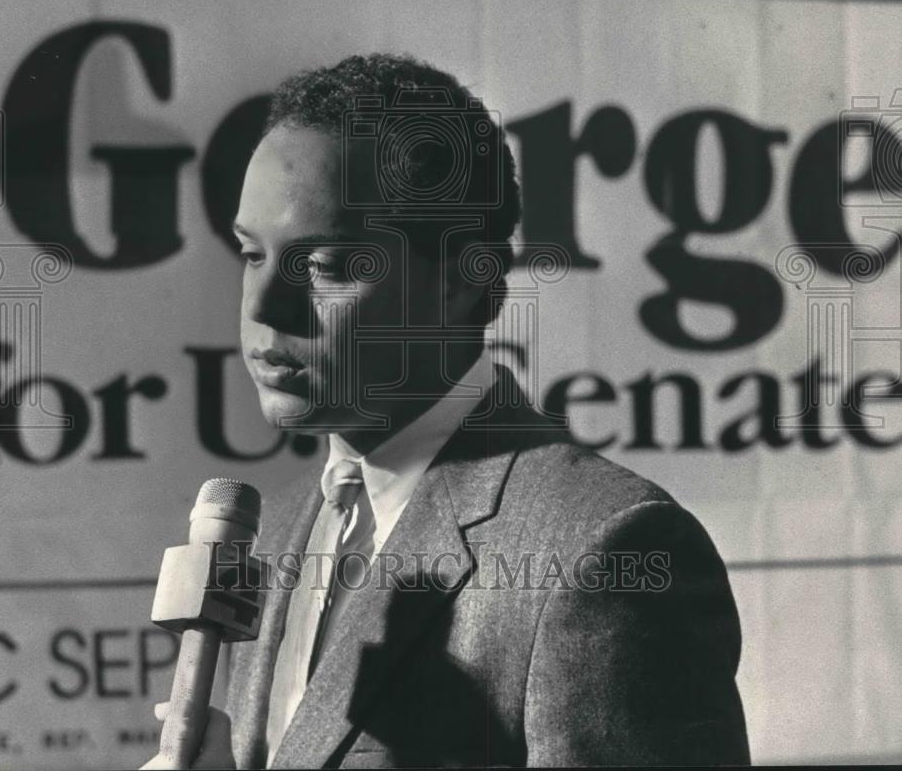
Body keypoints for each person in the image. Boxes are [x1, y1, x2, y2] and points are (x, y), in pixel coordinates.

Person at [148, 53, 749, 768]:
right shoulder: (278, 531)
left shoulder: (602, 547)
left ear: (467, 283)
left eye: (329, 267)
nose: (261, 309)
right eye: (251, 254)